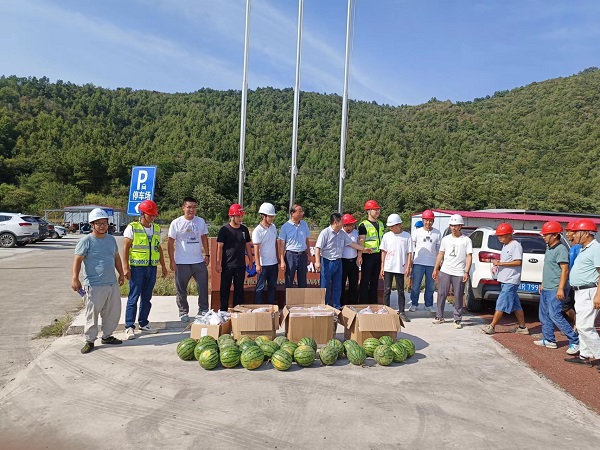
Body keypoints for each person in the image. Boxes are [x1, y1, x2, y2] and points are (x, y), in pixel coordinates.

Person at [72, 208, 125, 354]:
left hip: (111, 283)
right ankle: (90, 340)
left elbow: (116, 258)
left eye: (105, 223)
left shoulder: (111, 239)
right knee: (92, 314)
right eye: (98, 223)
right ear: (92, 225)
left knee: (112, 312)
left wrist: (121, 274)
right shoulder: (86, 241)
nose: (102, 226)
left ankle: (107, 336)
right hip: (93, 285)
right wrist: (75, 278)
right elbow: (77, 260)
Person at [122, 200, 167, 340]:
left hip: (151, 268)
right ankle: (129, 326)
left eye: (154, 215)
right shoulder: (132, 227)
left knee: (147, 297)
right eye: (150, 214)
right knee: (133, 297)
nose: (152, 217)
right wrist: (125, 267)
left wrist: (163, 266)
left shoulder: (156, 228)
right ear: (142, 213)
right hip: (137, 268)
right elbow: (126, 248)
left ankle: (143, 323)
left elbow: (158, 248)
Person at [535, 221, 579, 353]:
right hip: (547, 287)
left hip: (555, 288)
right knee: (544, 315)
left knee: (555, 315)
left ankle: (575, 340)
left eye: (546, 235)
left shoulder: (561, 249)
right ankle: (549, 339)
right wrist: (543, 283)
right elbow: (548, 268)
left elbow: (565, 270)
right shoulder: (549, 247)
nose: (544, 237)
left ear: (555, 235)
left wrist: (560, 288)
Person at [481, 223, 530, 335]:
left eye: (502, 235)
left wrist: (501, 263)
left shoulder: (515, 245)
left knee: (501, 304)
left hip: (511, 280)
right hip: (505, 279)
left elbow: (518, 262)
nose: (499, 238)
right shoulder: (505, 246)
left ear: (509, 235)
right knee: (516, 305)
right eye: (498, 235)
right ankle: (522, 327)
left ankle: (492, 326)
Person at [314, 213, 371, 309]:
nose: (343, 223)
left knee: (338, 285)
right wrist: (317, 261)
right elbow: (317, 247)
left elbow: (351, 243)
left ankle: (336, 306)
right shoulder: (325, 233)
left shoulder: (341, 233)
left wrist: (363, 249)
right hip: (327, 261)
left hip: (338, 262)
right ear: (335, 222)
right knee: (325, 285)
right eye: (342, 221)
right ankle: (324, 306)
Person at [167, 197, 210, 322]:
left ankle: (203, 309)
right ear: (183, 208)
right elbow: (170, 243)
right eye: (189, 207)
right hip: (182, 262)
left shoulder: (200, 221)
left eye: (194, 207)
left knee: (203, 286)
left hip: (198, 261)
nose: (192, 210)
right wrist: (172, 260)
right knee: (181, 288)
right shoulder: (176, 223)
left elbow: (204, 238)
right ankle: (183, 311)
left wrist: (207, 255)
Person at [564, 219, 600, 366]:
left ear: (586, 233)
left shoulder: (596, 248)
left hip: (590, 291)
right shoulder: (584, 248)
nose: (574, 235)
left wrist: (598, 295)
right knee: (581, 324)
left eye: (577, 232)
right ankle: (584, 356)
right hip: (580, 292)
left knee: (586, 326)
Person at [432, 214, 472, 329]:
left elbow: (469, 256)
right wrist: (435, 268)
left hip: (459, 271)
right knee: (441, 293)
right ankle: (439, 316)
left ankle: (457, 318)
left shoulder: (466, 240)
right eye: (451, 225)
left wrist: (466, 271)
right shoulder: (446, 239)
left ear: (460, 226)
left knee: (458, 295)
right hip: (445, 270)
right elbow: (441, 253)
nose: (453, 228)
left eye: (455, 225)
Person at [217, 204, 253, 310]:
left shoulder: (244, 230)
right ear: (231, 216)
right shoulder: (224, 230)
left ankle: (237, 310)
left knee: (239, 290)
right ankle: (223, 310)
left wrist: (251, 260)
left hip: (240, 265)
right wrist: (218, 263)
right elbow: (219, 247)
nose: (240, 218)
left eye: (241, 216)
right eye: (238, 216)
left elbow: (247, 245)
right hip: (227, 265)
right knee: (225, 289)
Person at [379, 214, 413, 323]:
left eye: (392, 226)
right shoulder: (387, 236)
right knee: (387, 290)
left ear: (399, 225)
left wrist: (408, 267)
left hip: (400, 267)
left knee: (400, 291)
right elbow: (383, 251)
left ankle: (402, 312)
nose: (391, 228)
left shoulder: (407, 236)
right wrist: (382, 266)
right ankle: (386, 311)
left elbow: (409, 253)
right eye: (390, 226)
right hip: (388, 266)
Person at [409, 209, 441, 314]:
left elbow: (438, 250)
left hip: (431, 263)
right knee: (416, 285)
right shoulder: (417, 232)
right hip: (418, 262)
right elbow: (411, 248)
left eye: (430, 220)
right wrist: (410, 261)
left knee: (430, 286)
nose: (428, 222)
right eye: (426, 220)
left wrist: (438, 264)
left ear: (433, 221)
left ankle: (429, 305)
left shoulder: (437, 233)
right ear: (423, 220)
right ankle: (414, 303)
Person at [358, 200, 385, 304]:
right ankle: (363, 303)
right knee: (365, 280)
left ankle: (373, 303)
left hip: (378, 255)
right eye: (375, 209)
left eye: (378, 209)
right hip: (367, 256)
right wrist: (359, 256)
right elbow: (361, 241)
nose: (377, 211)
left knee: (375, 281)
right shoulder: (363, 225)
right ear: (368, 211)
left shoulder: (381, 224)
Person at [278, 204, 311, 288]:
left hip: (302, 255)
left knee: (303, 281)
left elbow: (307, 240)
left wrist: (309, 255)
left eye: (302, 212)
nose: (301, 214)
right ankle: (288, 297)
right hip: (290, 255)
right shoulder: (285, 226)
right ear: (292, 213)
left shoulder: (304, 224)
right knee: (289, 280)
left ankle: (302, 297)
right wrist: (282, 260)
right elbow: (282, 245)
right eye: (299, 212)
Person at [253, 203, 279, 305]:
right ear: (263, 216)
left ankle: (271, 307)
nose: (272, 218)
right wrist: (258, 264)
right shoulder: (257, 231)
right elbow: (256, 248)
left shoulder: (273, 227)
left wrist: (278, 258)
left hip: (273, 263)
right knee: (260, 287)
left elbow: (275, 243)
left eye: (273, 216)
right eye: (270, 216)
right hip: (263, 264)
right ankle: (259, 308)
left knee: (272, 287)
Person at [562, 221, 580, 327]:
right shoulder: (572, 248)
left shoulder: (577, 248)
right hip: (571, 282)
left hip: (574, 283)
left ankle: (577, 326)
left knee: (566, 306)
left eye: (569, 231)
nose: (567, 234)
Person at [341, 213, 360, 306]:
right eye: (346, 225)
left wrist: (359, 257)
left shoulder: (356, 233)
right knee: (341, 283)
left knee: (353, 283)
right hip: (343, 261)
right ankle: (341, 304)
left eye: (351, 225)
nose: (349, 228)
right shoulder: (340, 233)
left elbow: (359, 245)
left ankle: (352, 303)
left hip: (353, 261)